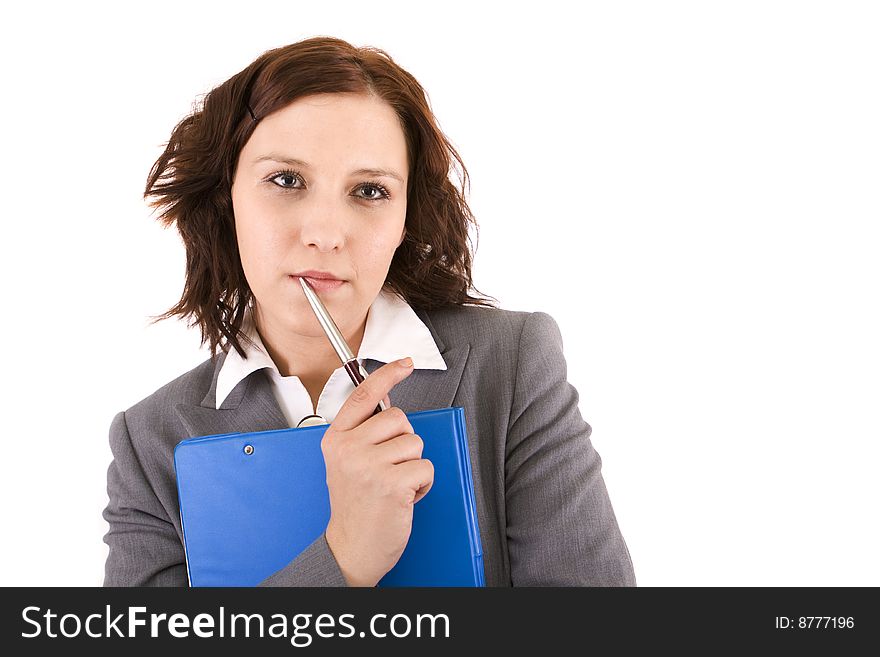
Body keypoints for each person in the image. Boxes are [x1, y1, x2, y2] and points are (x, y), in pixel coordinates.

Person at [101, 36, 636, 587]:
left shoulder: (512, 366)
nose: (326, 234)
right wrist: (344, 558)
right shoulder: (152, 440)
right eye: (286, 180)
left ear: (406, 217)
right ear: (224, 197)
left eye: (371, 191)